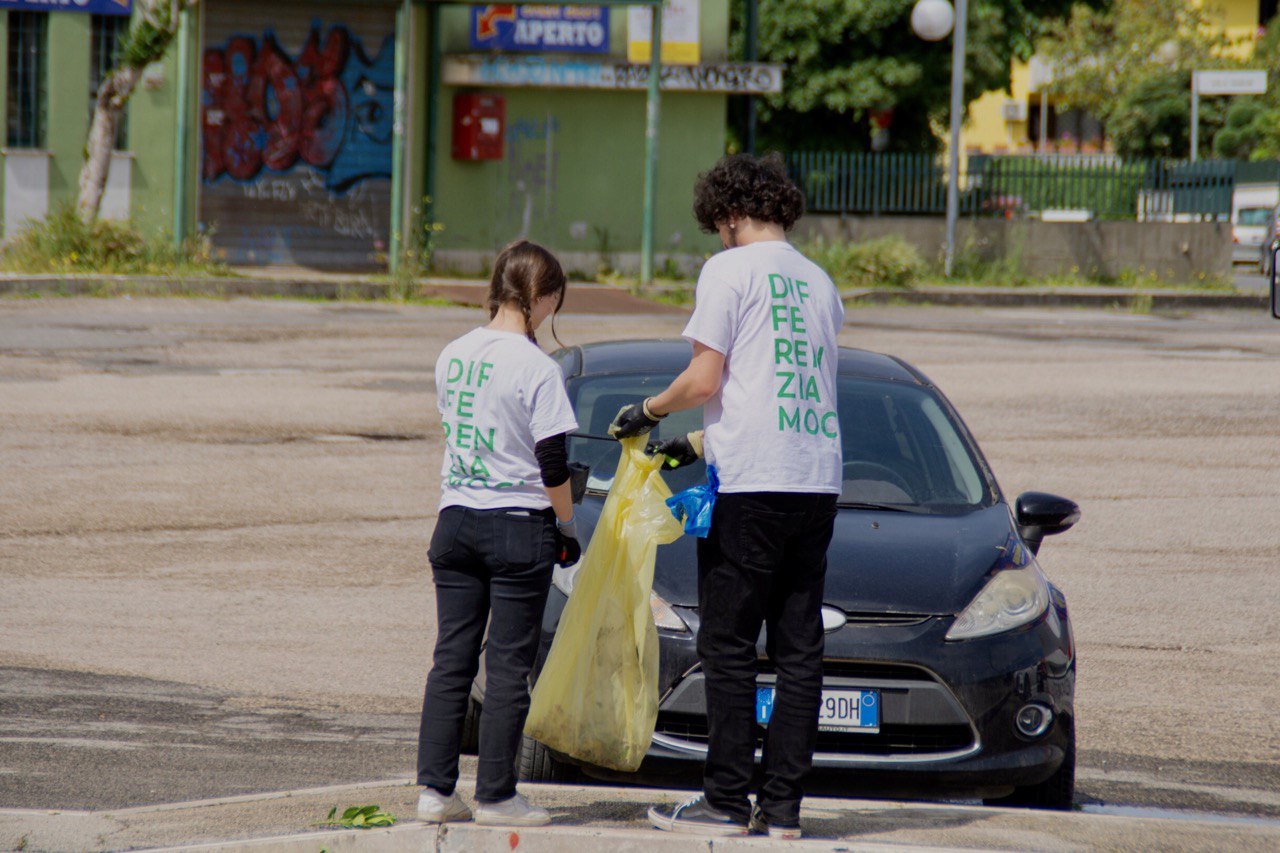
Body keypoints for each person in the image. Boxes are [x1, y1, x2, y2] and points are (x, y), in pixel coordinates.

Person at [611, 153, 844, 840]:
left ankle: (725, 797)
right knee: (799, 646)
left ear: (732, 213)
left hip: (752, 487)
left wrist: (651, 411)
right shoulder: (819, 281)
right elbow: (781, 388)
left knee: (731, 641)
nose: (718, 235)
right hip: (816, 478)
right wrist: (701, 444)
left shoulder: (729, 270)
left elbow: (706, 378)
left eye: (718, 223)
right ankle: (783, 810)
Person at [415, 240, 582, 827]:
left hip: (455, 519)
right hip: (517, 526)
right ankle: (496, 796)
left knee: (451, 660)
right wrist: (566, 525)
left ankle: (435, 793)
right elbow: (553, 464)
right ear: (539, 297)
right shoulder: (538, 368)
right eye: (553, 302)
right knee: (509, 666)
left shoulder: (452, 354)